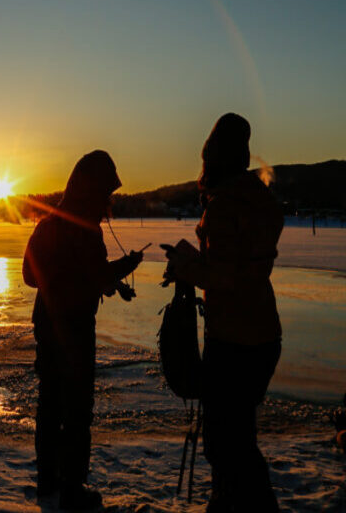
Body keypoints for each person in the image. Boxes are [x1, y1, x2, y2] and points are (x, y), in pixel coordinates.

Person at [165, 113, 283, 512]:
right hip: (261, 335)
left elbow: (229, 277)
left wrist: (187, 267)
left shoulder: (230, 203)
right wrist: (191, 260)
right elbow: (236, 269)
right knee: (236, 437)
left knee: (227, 443)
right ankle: (238, 503)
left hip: (235, 341)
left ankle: (243, 505)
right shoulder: (253, 199)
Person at [22, 150, 143, 511]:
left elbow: (33, 276)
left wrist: (101, 283)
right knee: (75, 410)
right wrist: (126, 266)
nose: (108, 200)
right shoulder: (84, 229)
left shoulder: (49, 224)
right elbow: (93, 275)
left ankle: (48, 483)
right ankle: (72, 490)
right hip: (72, 329)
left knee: (50, 405)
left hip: (47, 324)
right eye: (106, 192)